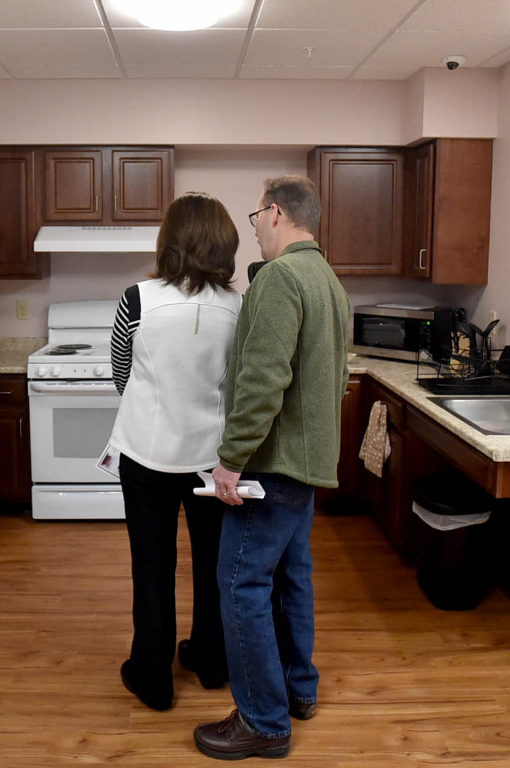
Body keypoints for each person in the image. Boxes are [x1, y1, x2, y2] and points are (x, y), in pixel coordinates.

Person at [193, 176, 351, 760]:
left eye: (257, 214)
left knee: (240, 584)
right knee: (292, 578)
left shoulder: (282, 278)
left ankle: (263, 721)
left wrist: (231, 460)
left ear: (277, 213)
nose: (254, 226)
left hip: (273, 468)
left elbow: (263, 380)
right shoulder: (329, 281)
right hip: (306, 467)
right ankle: (297, 692)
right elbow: (334, 380)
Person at [108, 191, 242, 712]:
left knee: (152, 567)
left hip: (146, 454)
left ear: (169, 242)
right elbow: (238, 384)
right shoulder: (239, 306)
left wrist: (150, 407)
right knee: (213, 564)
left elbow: (122, 373)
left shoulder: (137, 299)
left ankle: (153, 677)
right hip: (213, 458)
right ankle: (212, 662)